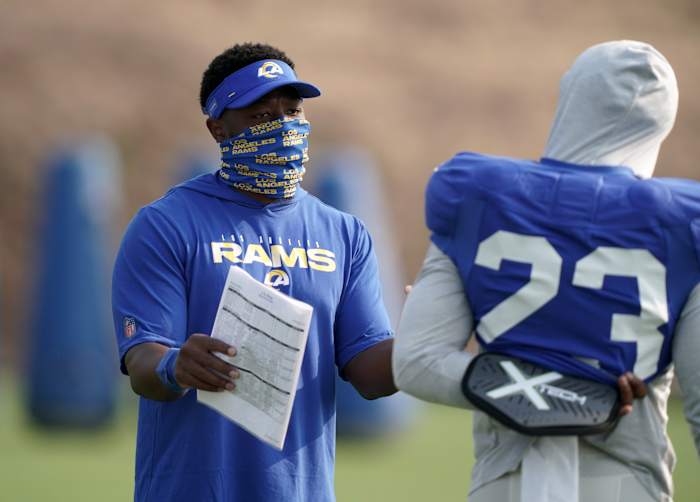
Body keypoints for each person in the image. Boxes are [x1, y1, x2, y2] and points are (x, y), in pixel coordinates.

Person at [393, 40, 700, 502]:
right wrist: (584, 391)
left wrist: (528, 381)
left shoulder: (478, 196)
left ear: (571, 97)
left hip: (508, 479)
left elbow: (417, 363)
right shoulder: (683, 221)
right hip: (626, 481)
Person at [112, 42, 396, 502]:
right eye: (262, 117)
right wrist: (174, 365)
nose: (283, 128)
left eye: (292, 111)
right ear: (218, 128)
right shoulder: (164, 225)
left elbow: (371, 373)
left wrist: (426, 339)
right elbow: (143, 362)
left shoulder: (344, 233)